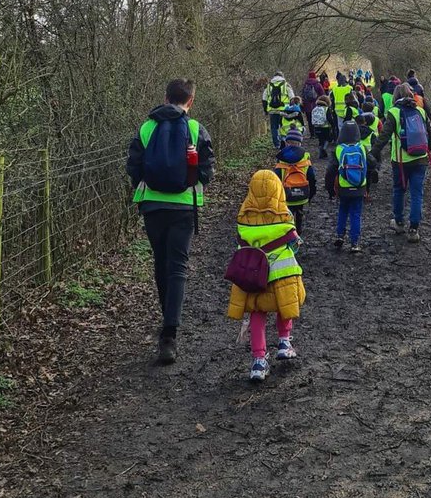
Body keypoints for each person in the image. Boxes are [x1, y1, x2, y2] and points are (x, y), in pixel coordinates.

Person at [126, 77, 215, 365]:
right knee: (178, 266)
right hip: (183, 208)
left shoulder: (147, 127)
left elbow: (133, 167)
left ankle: (167, 316)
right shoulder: (195, 128)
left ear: (165, 98)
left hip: (152, 206)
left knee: (160, 261)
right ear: (190, 100)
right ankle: (170, 333)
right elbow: (206, 171)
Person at [227, 170, 306, 383]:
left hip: (253, 277)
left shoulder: (244, 219)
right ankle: (284, 342)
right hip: (281, 276)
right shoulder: (284, 216)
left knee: (257, 313)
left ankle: (259, 360)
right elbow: (294, 244)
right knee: (284, 305)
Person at [370, 82, 431, 244]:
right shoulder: (420, 111)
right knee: (417, 193)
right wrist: (426, 150)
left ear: (395, 97)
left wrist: (372, 154)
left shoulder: (393, 113)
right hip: (421, 159)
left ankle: (399, 223)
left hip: (400, 161)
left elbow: (383, 137)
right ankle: (414, 229)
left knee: (399, 190)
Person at [326, 117, 374, 253]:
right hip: (359, 187)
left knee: (343, 210)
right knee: (356, 214)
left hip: (343, 187)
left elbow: (330, 171)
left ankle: (340, 236)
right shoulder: (362, 148)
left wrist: (330, 189)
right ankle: (355, 243)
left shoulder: (338, 149)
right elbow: (372, 164)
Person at [273, 128, 317, 233]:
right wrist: (311, 194)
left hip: (286, 194)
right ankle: (299, 227)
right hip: (302, 193)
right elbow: (311, 177)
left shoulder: (281, 157)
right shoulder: (305, 157)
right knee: (299, 209)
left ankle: (290, 231)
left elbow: (276, 178)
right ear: (300, 144)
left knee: (288, 213)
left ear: (286, 143)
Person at [262, 72, 293, 149]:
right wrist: (291, 108)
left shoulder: (268, 86)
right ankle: (284, 140)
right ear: (282, 76)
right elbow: (292, 97)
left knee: (274, 127)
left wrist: (265, 110)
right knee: (284, 126)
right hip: (284, 110)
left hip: (272, 111)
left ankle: (276, 144)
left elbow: (264, 99)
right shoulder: (286, 85)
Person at [300, 70, 325, 135]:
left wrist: (303, 105)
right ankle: (317, 133)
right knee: (316, 118)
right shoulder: (318, 84)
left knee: (309, 120)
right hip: (316, 105)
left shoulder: (305, 84)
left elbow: (302, 94)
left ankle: (312, 134)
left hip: (307, 106)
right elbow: (322, 94)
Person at [311, 94, 332, 159]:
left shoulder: (315, 108)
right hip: (325, 127)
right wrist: (332, 125)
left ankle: (321, 153)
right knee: (327, 139)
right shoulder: (326, 108)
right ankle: (324, 148)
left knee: (320, 140)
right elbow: (329, 118)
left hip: (316, 127)